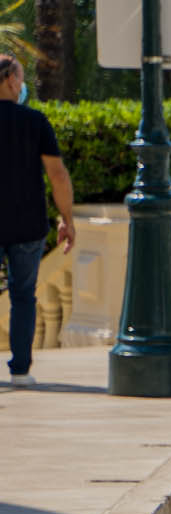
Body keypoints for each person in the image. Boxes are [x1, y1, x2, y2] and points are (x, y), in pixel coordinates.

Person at [0, 55, 72, 385]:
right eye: (21, 77)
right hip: (27, 222)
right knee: (23, 296)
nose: (22, 84)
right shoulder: (35, 121)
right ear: (10, 81)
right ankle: (20, 371)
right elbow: (57, 175)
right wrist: (66, 219)